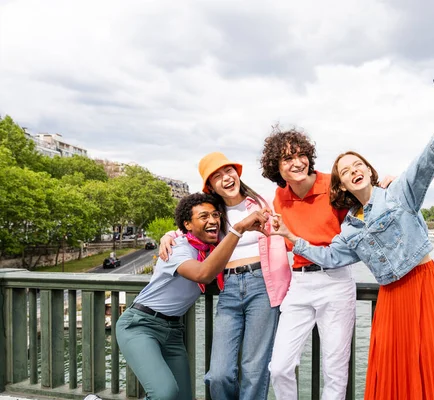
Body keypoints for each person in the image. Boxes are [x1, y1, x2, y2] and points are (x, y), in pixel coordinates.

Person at [270, 86, 434, 399]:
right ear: (342, 184)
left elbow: (425, 163)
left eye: (357, 165)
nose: (353, 171)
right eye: (345, 171)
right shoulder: (349, 227)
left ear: (368, 169)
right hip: (390, 292)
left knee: (424, 359)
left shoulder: (398, 194)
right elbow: (331, 256)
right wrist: (292, 238)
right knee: (390, 365)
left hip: (421, 283)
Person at [158, 152, 291, 400]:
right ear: (211, 187)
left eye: (228, 171)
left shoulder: (262, 205)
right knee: (219, 374)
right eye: (217, 177)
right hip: (229, 288)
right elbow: (188, 231)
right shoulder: (214, 214)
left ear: (237, 173)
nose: (225, 178)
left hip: (263, 285)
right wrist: (168, 235)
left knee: (254, 369)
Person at [115, 192, 270, 400]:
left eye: (216, 215)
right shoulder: (177, 248)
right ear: (188, 224)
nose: (213, 220)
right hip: (140, 325)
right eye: (204, 216)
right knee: (165, 394)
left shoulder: (212, 250)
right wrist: (239, 228)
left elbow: (224, 258)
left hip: (173, 331)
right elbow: (203, 274)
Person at [259, 127, 357, 400]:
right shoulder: (280, 197)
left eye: (301, 154)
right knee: (278, 367)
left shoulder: (333, 185)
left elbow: (364, 204)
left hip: (336, 280)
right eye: (287, 159)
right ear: (276, 168)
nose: (297, 162)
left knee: (335, 370)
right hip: (299, 282)